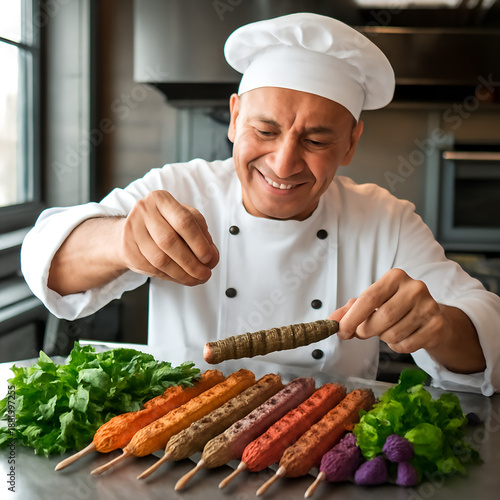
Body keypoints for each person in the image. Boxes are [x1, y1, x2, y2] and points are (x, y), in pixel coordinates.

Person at [21, 13, 500, 395]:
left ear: (351, 142)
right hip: (173, 446)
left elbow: (487, 334)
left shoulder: (385, 220)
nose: (285, 162)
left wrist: (437, 326)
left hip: (323, 454)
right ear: (233, 118)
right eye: (265, 131)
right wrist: (121, 242)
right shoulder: (179, 188)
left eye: (316, 139)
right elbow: (45, 260)